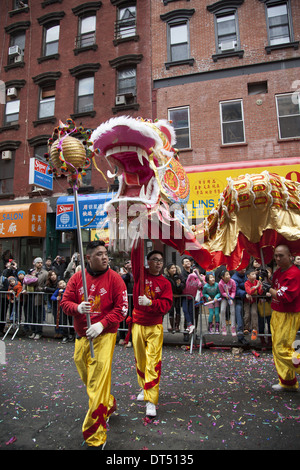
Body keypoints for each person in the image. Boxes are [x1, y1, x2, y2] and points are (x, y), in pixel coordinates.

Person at [60, 240, 128, 449]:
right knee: (86, 373)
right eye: (98, 254)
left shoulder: (116, 279)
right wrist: (77, 308)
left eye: (105, 253)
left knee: (96, 382)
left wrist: (102, 324)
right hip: (82, 336)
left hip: (105, 336)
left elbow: (123, 308)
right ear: (87, 257)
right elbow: (64, 303)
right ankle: (107, 402)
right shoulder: (77, 278)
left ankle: (95, 435)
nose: (104, 257)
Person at [130, 240, 173, 418]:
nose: (158, 263)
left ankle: (151, 400)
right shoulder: (140, 274)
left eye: (160, 260)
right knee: (140, 360)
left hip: (154, 326)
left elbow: (166, 304)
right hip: (138, 324)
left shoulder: (165, 283)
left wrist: (151, 303)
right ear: (148, 261)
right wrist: (137, 237)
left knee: (153, 361)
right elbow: (135, 256)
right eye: (154, 259)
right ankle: (143, 386)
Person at [263, 245, 300, 392]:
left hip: (289, 314)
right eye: (276, 256)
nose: (277, 258)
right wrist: (266, 278)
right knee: (277, 348)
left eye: (281, 256)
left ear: (290, 255)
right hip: (277, 312)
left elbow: (285, 296)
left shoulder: (294, 273)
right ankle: (287, 381)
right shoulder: (279, 271)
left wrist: (269, 289)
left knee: (282, 349)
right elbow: (275, 286)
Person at [28, 257, 48, 340]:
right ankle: (33, 331)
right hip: (31, 294)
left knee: (38, 314)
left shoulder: (45, 273)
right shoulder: (31, 272)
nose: (40, 264)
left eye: (41, 262)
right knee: (32, 314)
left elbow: (47, 283)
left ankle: (38, 331)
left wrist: (42, 288)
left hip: (39, 295)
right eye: (38, 262)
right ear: (34, 263)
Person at [164, 263, 185, 333]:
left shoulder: (179, 276)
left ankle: (177, 326)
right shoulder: (166, 277)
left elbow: (183, 285)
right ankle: (172, 326)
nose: (174, 269)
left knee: (178, 310)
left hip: (178, 296)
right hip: (170, 296)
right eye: (172, 268)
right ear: (168, 270)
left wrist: (179, 285)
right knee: (171, 311)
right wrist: (171, 294)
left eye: (174, 268)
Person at [182, 268, 203, 334]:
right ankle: (189, 324)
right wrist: (196, 273)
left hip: (192, 297)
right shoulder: (190, 276)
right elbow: (190, 276)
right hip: (185, 296)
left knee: (191, 311)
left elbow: (201, 285)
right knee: (185, 310)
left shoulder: (199, 279)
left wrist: (200, 277)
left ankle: (191, 326)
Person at [244, 267, 263, 341]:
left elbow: (260, 292)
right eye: (252, 274)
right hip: (247, 301)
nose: (254, 276)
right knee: (247, 314)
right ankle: (246, 328)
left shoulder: (257, 282)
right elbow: (249, 291)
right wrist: (256, 287)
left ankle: (254, 329)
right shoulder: (246, 283)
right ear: (248, 276)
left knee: (254, 313)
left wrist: (260, 287)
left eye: (255, 274)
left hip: (254, 301)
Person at [231, 268, 248, 345]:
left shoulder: (245, 276)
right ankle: (240, 335)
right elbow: (236, 290)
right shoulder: (234, 278)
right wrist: (245, 292)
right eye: (242, 267)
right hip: (238, 299)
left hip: (246, 299)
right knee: (239, 315)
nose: (244, 269)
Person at [218, 269, 236, 336]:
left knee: (233, 311)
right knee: (222, 310)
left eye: (229, 274)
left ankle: (233, 328)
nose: (228, 276)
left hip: (231, 298)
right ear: (222, 277)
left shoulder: (232, 281)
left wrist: (231, 297)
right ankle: (223, 327)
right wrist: (226, 295)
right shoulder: (220, 283)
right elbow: (222, 292)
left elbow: (234, 291)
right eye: (227, 275)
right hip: (224, 298)